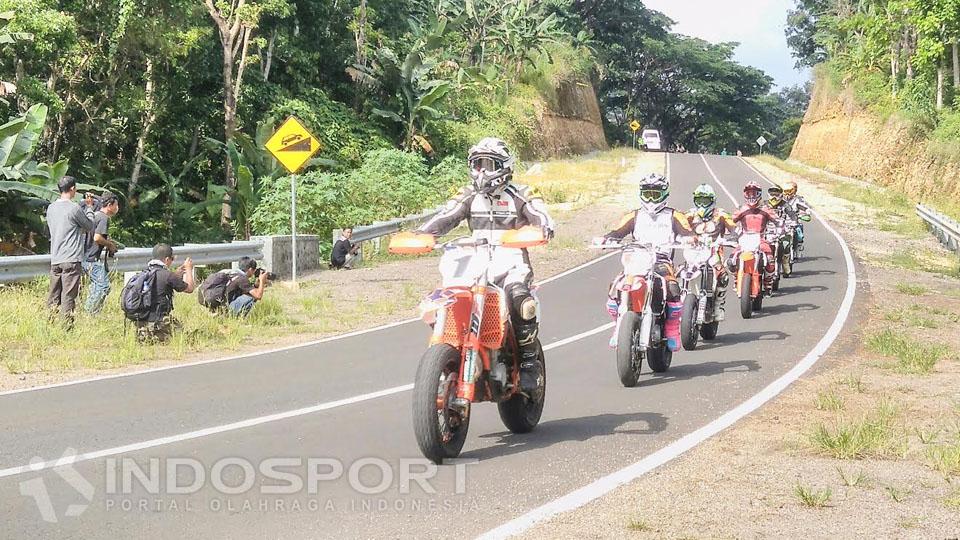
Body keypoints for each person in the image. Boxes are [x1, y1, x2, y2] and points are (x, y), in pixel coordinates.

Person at [416, 137, 555, 396]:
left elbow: (542, 216)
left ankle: (527, 365)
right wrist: (422, 234)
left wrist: (542, 228)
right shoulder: (468, 195)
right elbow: (446, 216)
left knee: (519, 300)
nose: (481, 171)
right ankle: (449, 350)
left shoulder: (521, 194)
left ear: (503, 166)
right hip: (474, 262)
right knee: (444, 299)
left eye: (488, 164)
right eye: (476, 164)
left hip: (510, 262)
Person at [602, 173, 697, 350]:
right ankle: (619, 326)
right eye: (647, 194)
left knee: (672, 288)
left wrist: (690, 239)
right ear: (641, 194)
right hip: (636, 258)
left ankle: (671, 329)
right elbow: (618, 231)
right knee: (615, 287)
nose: (651, 198)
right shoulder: (634, 215)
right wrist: (606, 238)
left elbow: (687, 231)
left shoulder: (675, 215)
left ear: (664, 194)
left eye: (655, 194)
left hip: (661, 259)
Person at [46, 176, 95, 326]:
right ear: (72, 188)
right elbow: (89, 226)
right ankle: (66, 326)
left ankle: (50, 323)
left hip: (56, 257)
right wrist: (89, 208)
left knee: (54, 294)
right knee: (68, 294)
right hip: (71, 258)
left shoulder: (51, 208)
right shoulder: (74, 208)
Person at [684, 183, 737, 320]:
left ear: (712, 200)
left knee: (722, 274)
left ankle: (718, 305)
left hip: (714, 250)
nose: (702, 204)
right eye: (699, 200)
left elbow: (734, 227)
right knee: (679, 272)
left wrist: (735, 236)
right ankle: (681, 302)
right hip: (693, 252)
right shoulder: (689, 214)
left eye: (705, 200)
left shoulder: (721, 214)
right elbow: (679, 226)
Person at [135, 244, 195, 343]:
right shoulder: (168, 276)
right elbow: (190, 288)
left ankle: (147, 336)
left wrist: (176, 274)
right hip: (159, 322)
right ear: (167, 259)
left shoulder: (144, 273)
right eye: (172, 259)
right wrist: (189, 269)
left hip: (140, 323)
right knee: (187, 339)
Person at [731, 181, 779, 289]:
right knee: (731, 260)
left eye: (754, 193)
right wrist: (730, 233)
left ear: (759, 194)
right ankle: (736, 278)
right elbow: (730, 222)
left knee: (770, 260)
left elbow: (777, 220)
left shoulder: (766, 209)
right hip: (744, 240)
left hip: (761, 239)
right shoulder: (741, 209)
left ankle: (768, 281)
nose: (752, 196)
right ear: (745, 194)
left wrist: (781, 228)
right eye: (749, 193)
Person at [81, 192, 120, 314]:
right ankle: (90, 312)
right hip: (91, 259)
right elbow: (97, 238)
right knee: (103, 286)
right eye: (116, 205)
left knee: (96, 285)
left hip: (84, 257)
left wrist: (108, 242)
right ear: (109, 205)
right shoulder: (103, 218)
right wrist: (109, 245)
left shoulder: (95, 215)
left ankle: (92, 311)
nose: (117, 208)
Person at [197, 257, 269, 317]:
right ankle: (233, 316)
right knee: (251, 297)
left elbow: (241, 290)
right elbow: (258, 295)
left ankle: (216, 312)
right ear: (250, 269)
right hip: (224, 305)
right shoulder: (242, 278)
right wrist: (262, 281)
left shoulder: (231, 273)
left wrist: (256, 285)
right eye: (254, 270)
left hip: (213, 302)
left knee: (249, 293)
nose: (254, 273)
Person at [781, 181, 811, 251]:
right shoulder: (781, 199)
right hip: (783, 222)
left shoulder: (798, 199)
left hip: (794, 221)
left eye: (789, 191)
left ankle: (799, 243)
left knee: (799, 229)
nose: (787, 193)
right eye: (785, 191)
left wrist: (805, 212)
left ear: (794, 191)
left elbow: (804, 207)